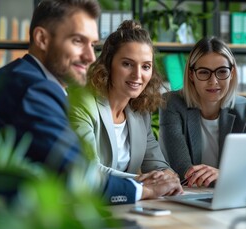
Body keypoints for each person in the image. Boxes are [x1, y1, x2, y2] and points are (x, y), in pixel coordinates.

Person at [0, 0, 182, 204]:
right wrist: (145, 190)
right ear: (42, 39)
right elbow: (78, 176)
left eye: (91, 44)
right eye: (77, 41)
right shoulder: (34, 88)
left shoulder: (21, 76)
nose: (90, 57)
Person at [68, 20, 179, 184]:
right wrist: (141, 181)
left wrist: (168, 176)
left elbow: (157, 164)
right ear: (108, 64)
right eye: (127, 64)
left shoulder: (140, 112)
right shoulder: (83, 103)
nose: (137, 75)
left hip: (127, 205)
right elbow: (88, 168)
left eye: (146, 66)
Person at [159, 36, 246, 187]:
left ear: (232, 73)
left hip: (226, 194)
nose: (213, 81)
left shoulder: (244, 108)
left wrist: (226, 175)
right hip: (185, 195)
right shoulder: (171, 104)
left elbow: (242, 168)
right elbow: (183, 169)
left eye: (222, 71)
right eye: (204, 72)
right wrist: (226, 176)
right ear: (191, 75)